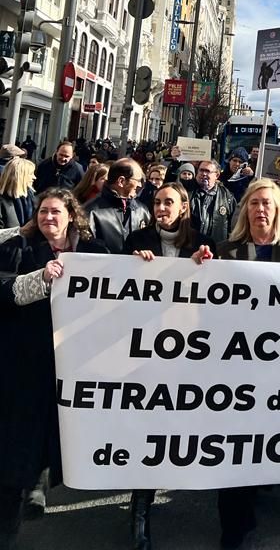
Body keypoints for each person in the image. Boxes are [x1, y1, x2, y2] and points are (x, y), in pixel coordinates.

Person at [196, 179, 280, 550]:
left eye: (267, 204)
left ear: (278, 211)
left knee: (264, 439)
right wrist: (196, 273)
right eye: (254, 203)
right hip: (237, 365)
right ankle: (234, 526)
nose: (260, 210)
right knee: (233, 441)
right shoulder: (226, 252)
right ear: (245, 210)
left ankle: (253, 490)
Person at [0, 190, 108, 541]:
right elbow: (3, 293)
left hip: (77, 357)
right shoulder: (20, 247)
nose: (48, 217)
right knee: (22, 429)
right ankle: (17, 498)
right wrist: (41, 279)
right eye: (43, 211)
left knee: (60, 425)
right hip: (27, 355)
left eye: (55, 211)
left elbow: (121, 286)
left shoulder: (93, 252)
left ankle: (41, 478)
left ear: (72, 215)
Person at [124, 181, 211, 550]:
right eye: (157, 202)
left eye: (169, 202)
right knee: (150, 423)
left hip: (191, 350)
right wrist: (133, 268)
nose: (161, 208)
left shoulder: (200, 241)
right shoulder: (136, 240)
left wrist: (209, 266)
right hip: (147, 348)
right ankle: (141, 503)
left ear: (183, 207)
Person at [85, 158, 150, 253]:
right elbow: (87, 252)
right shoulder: (92, 212)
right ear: (121, 181)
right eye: (138, 180)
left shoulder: (142, 210)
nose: (140, 185)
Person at [189, 161, 238, 244]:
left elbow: (234, 226)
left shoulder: (227, 197)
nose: (203, 174)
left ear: (217, 175)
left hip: (216, 248)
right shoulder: (188, 192)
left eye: (207, 171)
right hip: (190, 247)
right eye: (201, 170)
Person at [0, 157, 36, 227]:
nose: (34, 177)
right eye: (31, 173)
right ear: (20, 177)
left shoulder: (30, 195)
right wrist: (20, 231)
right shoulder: (2, 202)